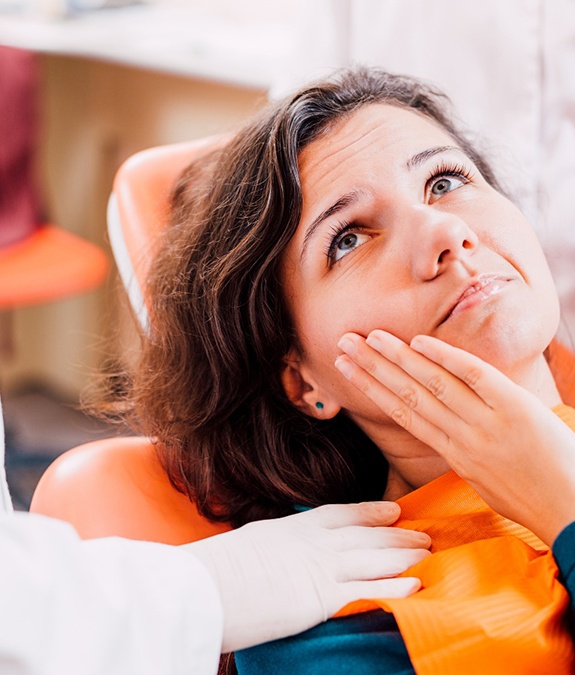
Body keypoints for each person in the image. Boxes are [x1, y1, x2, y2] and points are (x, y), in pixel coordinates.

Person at [121, 66, 575, 672]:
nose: (445, 230)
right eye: (349, 239)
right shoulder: (345, 618)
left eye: (445, 181)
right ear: (304, 380)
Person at [0, 398, 431, 674]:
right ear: (302, 379)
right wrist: (199, 592)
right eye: (345, 247)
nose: (451, 249)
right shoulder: (323, 639)